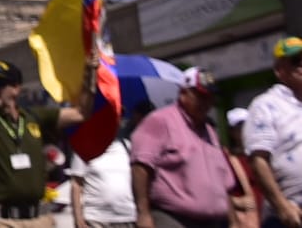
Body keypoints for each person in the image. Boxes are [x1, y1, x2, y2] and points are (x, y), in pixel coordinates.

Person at [0, 59, 97, 228]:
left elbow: (80, 113)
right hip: (2, 221)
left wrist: (90, 73)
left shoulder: (34, 117)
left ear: (16, 88)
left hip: (39, 219)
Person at [130, 67, 242, 228]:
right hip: (174, 218)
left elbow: (223, 183)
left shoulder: (210, 131)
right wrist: (144, 213)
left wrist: (234, 222)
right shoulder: (160, 121)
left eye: (210, 97)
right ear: (183, 94)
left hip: (215, 221)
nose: (206, 103)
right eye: (201, 96)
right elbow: (140, 167)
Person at [245, 37, 302, 228]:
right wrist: (281, 206)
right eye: (296, 62)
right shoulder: (266, 105)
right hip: (291, 213)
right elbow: (258, 159)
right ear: (280, 70)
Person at [71, 104, 151, 228]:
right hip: (95, 219)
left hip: (127, 217)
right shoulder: (84, 146)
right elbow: (76, 185)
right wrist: (78, 218)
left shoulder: (129, 147)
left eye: (118, 116)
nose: (116, 120)